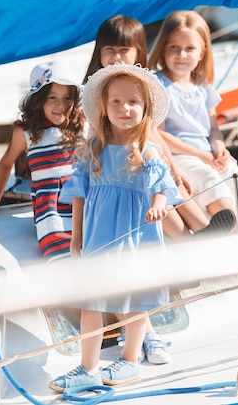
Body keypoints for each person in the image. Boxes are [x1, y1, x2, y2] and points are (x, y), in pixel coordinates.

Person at [50, 64, 180, 392]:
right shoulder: (94, 150)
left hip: (135, 235)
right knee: (92, 300)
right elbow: (79, 195)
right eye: (117, 102)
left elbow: (161, 187)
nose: (125, 108)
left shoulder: (146, 150)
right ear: (104, 110)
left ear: (145, 108)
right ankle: (88, 366)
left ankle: (131, 359)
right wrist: (76, 235)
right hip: (98, 235)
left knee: (135, 297)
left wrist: (158, 204)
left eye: (133, 102)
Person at [85, 14, 235, 241]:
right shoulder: (95, 89)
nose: (116, 57)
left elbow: (152, 131)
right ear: (99, 51)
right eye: (110, 50)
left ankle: (203, 231)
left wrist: (174, 168)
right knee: (153, 188)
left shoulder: (140, 87)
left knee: (168, 179)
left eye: (124, 50)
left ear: (138, 52)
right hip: (114, 164)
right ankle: (193, 238)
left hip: (142, 157)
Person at [148, 10, 238, 229]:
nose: (182, 54)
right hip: (181, 157)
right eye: (174, 48)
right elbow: (158, 134)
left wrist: (218, 147)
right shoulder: (158, 85)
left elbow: (214, 129)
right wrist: (202, 155)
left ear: (202, 52)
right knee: (210, 179)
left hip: (206, 153)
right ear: (163, 49)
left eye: (190, 49)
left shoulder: (203, 87)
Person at [0, 61, 85, 259]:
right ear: (38, 100)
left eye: (67, 98)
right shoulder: (26, 133)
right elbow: (6, 163)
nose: (61, 105)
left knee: (94, 254)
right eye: (52, 98)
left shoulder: (80, 127)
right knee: (61, 257)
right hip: (50, 210)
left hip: (82, 202)